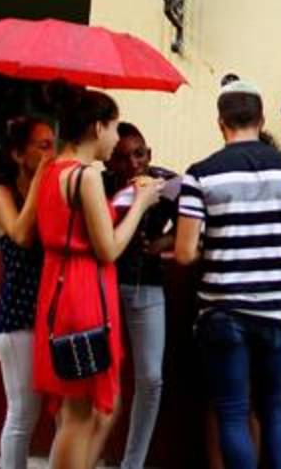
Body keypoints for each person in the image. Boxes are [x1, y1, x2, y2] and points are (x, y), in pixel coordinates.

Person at [175, 77, 281, 469]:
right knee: (274, 407)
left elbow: (185, 253)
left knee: (233, 411)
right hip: (275, 308)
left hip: (222, 310)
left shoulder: (200, 174)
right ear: (260, 119)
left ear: (220, 122)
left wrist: (220, 240)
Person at [33, 82, 163, 469]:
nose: (115, 138)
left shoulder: (54, 169)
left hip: (58, 287)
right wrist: (140, 203)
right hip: (83, 291)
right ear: (95, 127)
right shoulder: (85, 176)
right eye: (113, 127)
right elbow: (108, 248)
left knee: (84, 410)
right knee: (80, 414)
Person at [0, 116, 55, 469]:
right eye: (43, 146)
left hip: (52, 313)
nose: (51, 153)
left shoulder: (51, 190)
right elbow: (21, 235)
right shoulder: (1, 192)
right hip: (17, 316)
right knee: (24, 412)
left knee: (60, 412)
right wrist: (43, 175)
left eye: (53, 145)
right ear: (17, 153)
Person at [105, 122, 176, 469]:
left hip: (148, 286)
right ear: (110, 163)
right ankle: (94, 455)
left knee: (150, 378)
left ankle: (133, 463)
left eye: (139, 154)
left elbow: (197, 220)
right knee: (105, 377)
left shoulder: (167, 183)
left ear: (149, 154)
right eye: (122, 157)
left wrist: (165, 242)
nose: (134, 163)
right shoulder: (100, 185)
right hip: (105, 287)